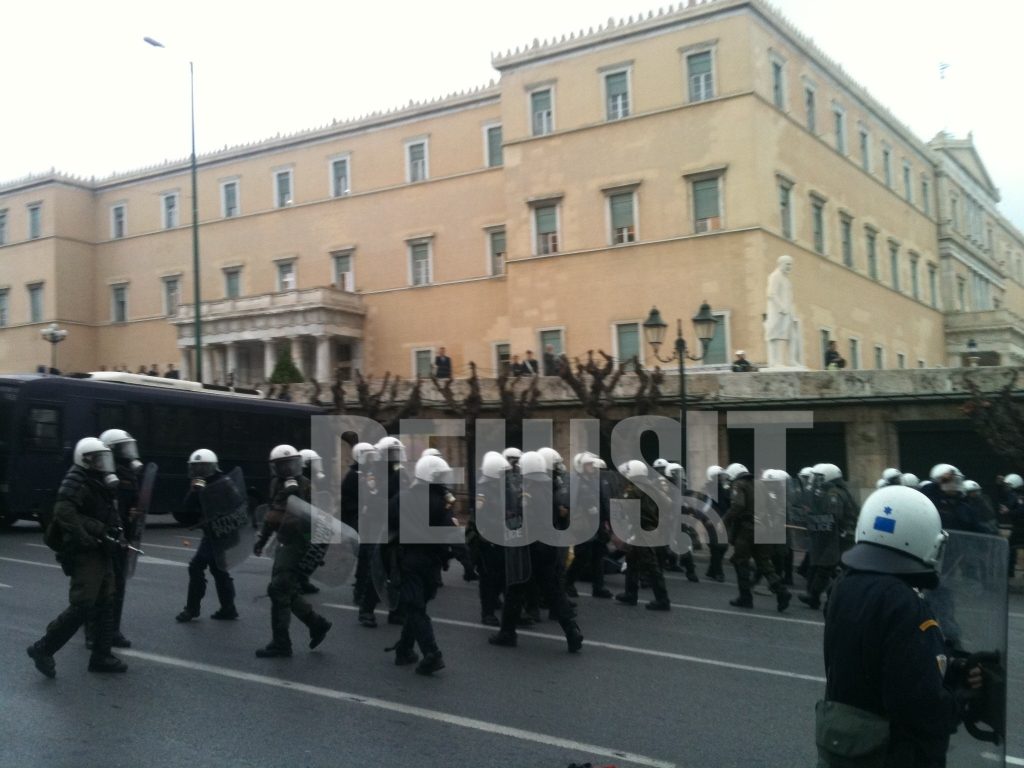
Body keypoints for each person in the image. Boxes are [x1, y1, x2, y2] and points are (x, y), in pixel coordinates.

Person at [818, 485, 985, 767]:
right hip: (894, 753)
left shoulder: (844, 585)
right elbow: (920, 705)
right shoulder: (904, 602)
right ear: (921, 539)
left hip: (845, 745)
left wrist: (948, 663)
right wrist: (960, 698)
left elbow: (874, 657)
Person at [28, 438, 128, 677]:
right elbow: (63, 511)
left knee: (106, 602)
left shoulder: (97, 480)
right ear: (85, 459)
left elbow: (109, 513)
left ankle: (102, 656)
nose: (103, 462)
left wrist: (118, 534)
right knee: (83, 604)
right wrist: (86, 537)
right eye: (98, 458)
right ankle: (43, 648)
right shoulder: (77, 479)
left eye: (105, 457)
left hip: (101, 548)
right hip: (85, 552)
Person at [489, 451, 583, 652]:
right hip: (548, 548)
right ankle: (572, 631)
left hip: (532, 550)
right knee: (554, 592)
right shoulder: (550, 488)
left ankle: (507, 633)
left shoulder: (528, 493)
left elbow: (526, 522)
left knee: (514, 590)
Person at [253, 444, 332, 658]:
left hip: (298, 543)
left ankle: (281, 643)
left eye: (291, 465)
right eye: (283, 466)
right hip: (284, 540)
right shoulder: (275, 485)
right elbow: (273, 515)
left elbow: (315, 519)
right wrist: (262, 539)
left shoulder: (306, 486)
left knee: (278, 589)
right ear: (275, 468)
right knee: (285, 589)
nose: (288, 470)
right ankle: (317, 624)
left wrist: (295, 496)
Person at [385, 454, 457, 674]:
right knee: (417, 607)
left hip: (410, 560)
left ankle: (432, 654)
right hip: (432, 564)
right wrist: (467, 563)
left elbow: (388, 527)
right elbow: (451, 534)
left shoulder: (401, 498)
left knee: (415, 609)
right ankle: (405, 650)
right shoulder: (441, 503)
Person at [90, 428, 145, 649]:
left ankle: (113, 630)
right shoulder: (101, 475)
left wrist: (134, 513)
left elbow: (133, 502)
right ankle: (93, 631)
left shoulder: (130, 475)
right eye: (123, 448)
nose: (128, 452)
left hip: (123, 537)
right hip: (105, 537)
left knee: (118, 586)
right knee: (100, 587)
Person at [173, 449, 239, 622]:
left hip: (223, 534)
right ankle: (228, 608)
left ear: (213, 467)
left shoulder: (224, 483)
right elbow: (186, 510)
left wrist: (219, 516)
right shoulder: (198, 485)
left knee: (197, 567)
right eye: (196, 468)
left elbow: (236, 506)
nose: (200, 471)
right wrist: (194, 492)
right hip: (211, 534)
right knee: (219, 570)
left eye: (203, 467)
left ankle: (192, 609)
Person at [722, 462, 792, 611]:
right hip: (763, 528)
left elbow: (738, 505)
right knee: (764, 563)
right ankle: (782, 591)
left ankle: (745, 597)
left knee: (741, 562)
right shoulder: (760, 484)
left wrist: (724, 521)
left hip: (746, 530)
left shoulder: (738, 485)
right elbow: (772, 507)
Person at [614, 460, 672, 611]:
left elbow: (624, 507)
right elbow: (667, 503)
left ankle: (662, 599)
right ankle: (630, 593)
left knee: (651, 565)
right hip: (650, 528)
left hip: (642, 530)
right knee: (632, 560)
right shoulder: (652, 486)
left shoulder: (634, 489)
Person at [798, 463, 857, 609]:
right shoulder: (833, 491)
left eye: (820, 477)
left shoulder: (833, 494)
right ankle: (816, 597)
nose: (817, 480)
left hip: (839, 537)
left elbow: (832, 516)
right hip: (836, 535)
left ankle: (818, 596)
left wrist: (813, 522)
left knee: (826, 567)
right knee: (826, 567)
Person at [564, 452, 613, 599]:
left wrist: (607, 521)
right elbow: (570, 501)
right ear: (581, 466)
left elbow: (604, 501)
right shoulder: (575, 480)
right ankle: (568, 583)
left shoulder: (595, 480)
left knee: (598, 556)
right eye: (588, 464)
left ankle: (598, 587)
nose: (592, 467)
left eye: (592, 464)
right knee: (582, 556)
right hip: (583, 524)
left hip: (597, 523)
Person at [764, 254, 801, 367]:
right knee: (777, 336)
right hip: (778, 312)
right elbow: (771, 293)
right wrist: (781, 308)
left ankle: (791, 360)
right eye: (787, 264)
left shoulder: (786, 279)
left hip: (787, 312)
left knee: (792, 337)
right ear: (781, 264)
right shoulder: (775, 276)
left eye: (791, 264)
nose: (790, 267)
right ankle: (777, 362)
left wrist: (789, 311)